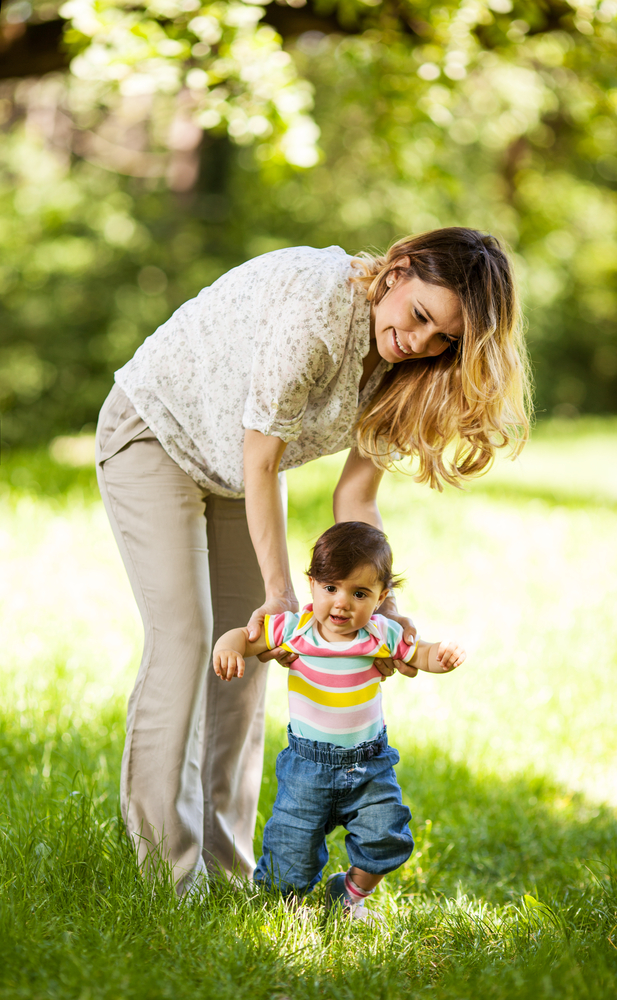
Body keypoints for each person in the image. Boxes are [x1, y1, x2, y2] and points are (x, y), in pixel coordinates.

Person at [95, 228, 530, 894]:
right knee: (188, 641)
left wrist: (381, 609)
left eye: (441, 337)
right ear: (398, 270)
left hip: (235, 472)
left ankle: (228, 871)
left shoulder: (405, 367)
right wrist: (280, 594)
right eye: (417, 316)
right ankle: (168, 882)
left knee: (244, 673)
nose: (417, 342)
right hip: (154, 434)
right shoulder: (321, 309)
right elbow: (262, 458)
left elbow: (354, 495)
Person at [212, 522, 466, 919]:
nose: (342, 603)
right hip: (307, 768)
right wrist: (227, 646)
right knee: (289, 853)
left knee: (387, 837)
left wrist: (442, 656)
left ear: (382, 597)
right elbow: (246, 638)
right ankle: (283, 910)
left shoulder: (381, 633)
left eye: (359, 593)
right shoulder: (294, 629)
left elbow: (421, 655)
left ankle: (348, 892)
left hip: (368, 766)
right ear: (312, 584)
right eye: (331, 588)